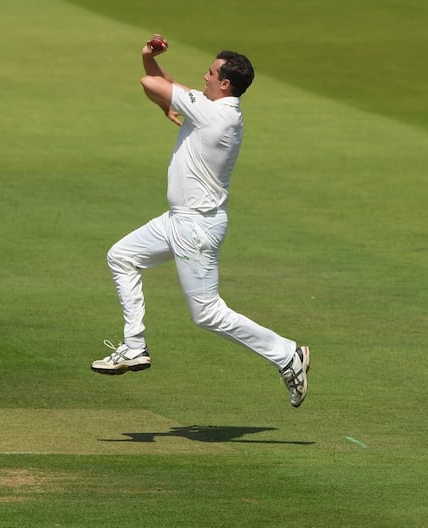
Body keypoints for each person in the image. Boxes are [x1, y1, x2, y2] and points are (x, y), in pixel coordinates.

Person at [91, 35, 310, 407]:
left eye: (210, 73)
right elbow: (164, 87)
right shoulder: (212, 107)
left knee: (207, 313)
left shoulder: (214, 114)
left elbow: (152, 84)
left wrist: (153, 78)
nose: (204, 77)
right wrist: (149, 60)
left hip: (195, 227)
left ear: (225, 84)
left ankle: (287, 354)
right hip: (178, 219)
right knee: (122, 256)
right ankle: (134, 346)